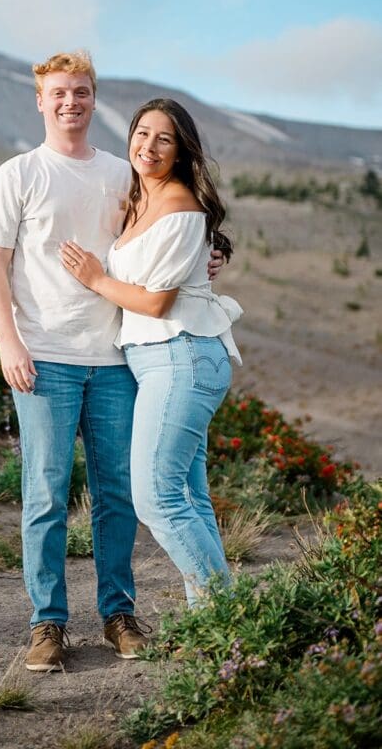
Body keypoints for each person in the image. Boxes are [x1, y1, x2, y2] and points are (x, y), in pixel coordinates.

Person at [0, 53, 223, 672]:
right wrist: (9, 344)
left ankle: (118, 614)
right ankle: (48, 625)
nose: (70, 103)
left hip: (116, 360)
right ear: (40, 100)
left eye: (81, 92)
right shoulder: (17, 175)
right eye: (58, 94)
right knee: (45, 494)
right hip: (44, 359)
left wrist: (208, 259)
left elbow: (171, 225)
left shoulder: (122, 172)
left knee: (119, 494)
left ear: (94, 98)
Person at [59, 97, 242, 607]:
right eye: (142, 133)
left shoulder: (180, 206)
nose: (149, 146)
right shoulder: (141, 197)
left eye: (164, 138)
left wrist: (95, 278)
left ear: (182, 150)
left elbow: (158, 302)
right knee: (190, 499)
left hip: (181, 355)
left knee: (157, 499)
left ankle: (228, 618)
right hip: (164, 360)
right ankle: (216, 623)